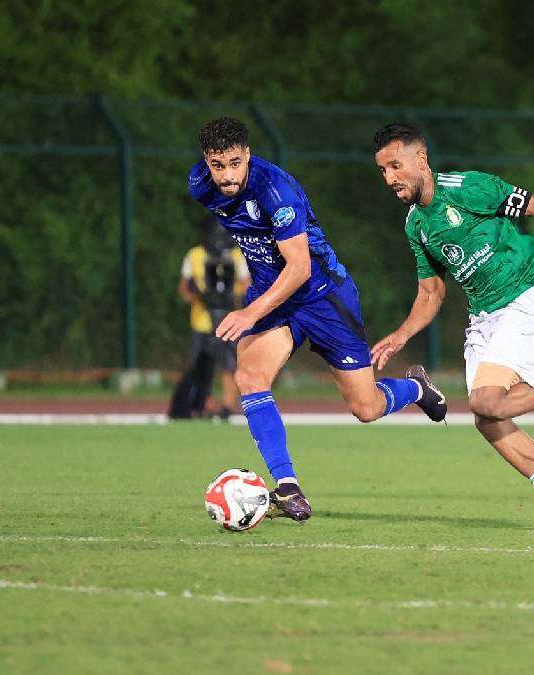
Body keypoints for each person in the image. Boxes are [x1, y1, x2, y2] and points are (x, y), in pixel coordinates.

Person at [370, 122, 534, 533]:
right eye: (383, 171)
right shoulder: (415, 225)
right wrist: (401, 334)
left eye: (395, 166)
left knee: (486, 402)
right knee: (489, 420)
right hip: (483, 319)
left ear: (420, 159)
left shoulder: (466, 187)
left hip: (519, 299)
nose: (390, 178)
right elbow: (430, 293)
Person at [188, 117, 447, 522]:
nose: (226, 175)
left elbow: (300, 268)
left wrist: (249, 311)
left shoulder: (276, 190)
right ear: (206, 162)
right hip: (272, 297)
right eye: (217, 165)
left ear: (248, 156)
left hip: (324, 296)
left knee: (366, 407)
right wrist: (259, 303)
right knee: (249, 378)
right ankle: (288, 487)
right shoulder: (201, 186)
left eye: (235, 163)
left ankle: (414, 387)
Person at [172, 222, 250, 420]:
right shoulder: (195, 255)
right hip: (202, 320)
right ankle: (202, 403)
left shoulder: (236, 255)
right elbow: (184, 289)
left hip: (230, 319)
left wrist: (234, 298)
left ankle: (227, 406)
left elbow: (246, 285)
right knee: (201, 366)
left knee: (229, 365)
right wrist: (196, 294)